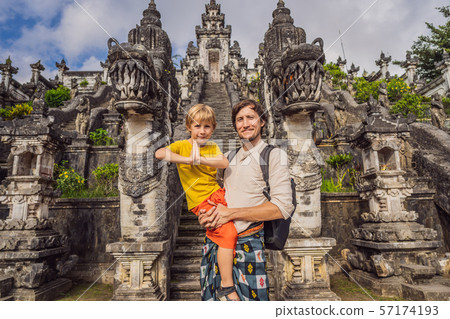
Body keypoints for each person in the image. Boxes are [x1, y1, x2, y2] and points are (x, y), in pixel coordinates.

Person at [198, 99, 294, 301]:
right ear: (235, 125)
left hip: (248, 243)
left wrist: (231, 214)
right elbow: (218, 197)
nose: (245, 124)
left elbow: (282, 207)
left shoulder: (273, 155)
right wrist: (206, 215)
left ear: (262, 122)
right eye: (240, 119)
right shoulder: (226, 159)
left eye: (251, 117)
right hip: (216, 243)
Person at [155, 104, 240, 301]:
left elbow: (223, 163)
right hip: (202, 201)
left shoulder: (212, 147)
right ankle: (227, 286)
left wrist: (200, 159)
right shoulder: (182, 145)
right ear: (188, 127)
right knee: (228, 232)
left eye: (207, 127)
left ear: (213, 128)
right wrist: (187, 160)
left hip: (219, 194)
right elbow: (159, 154)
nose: (202, 131)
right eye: (197, 126)